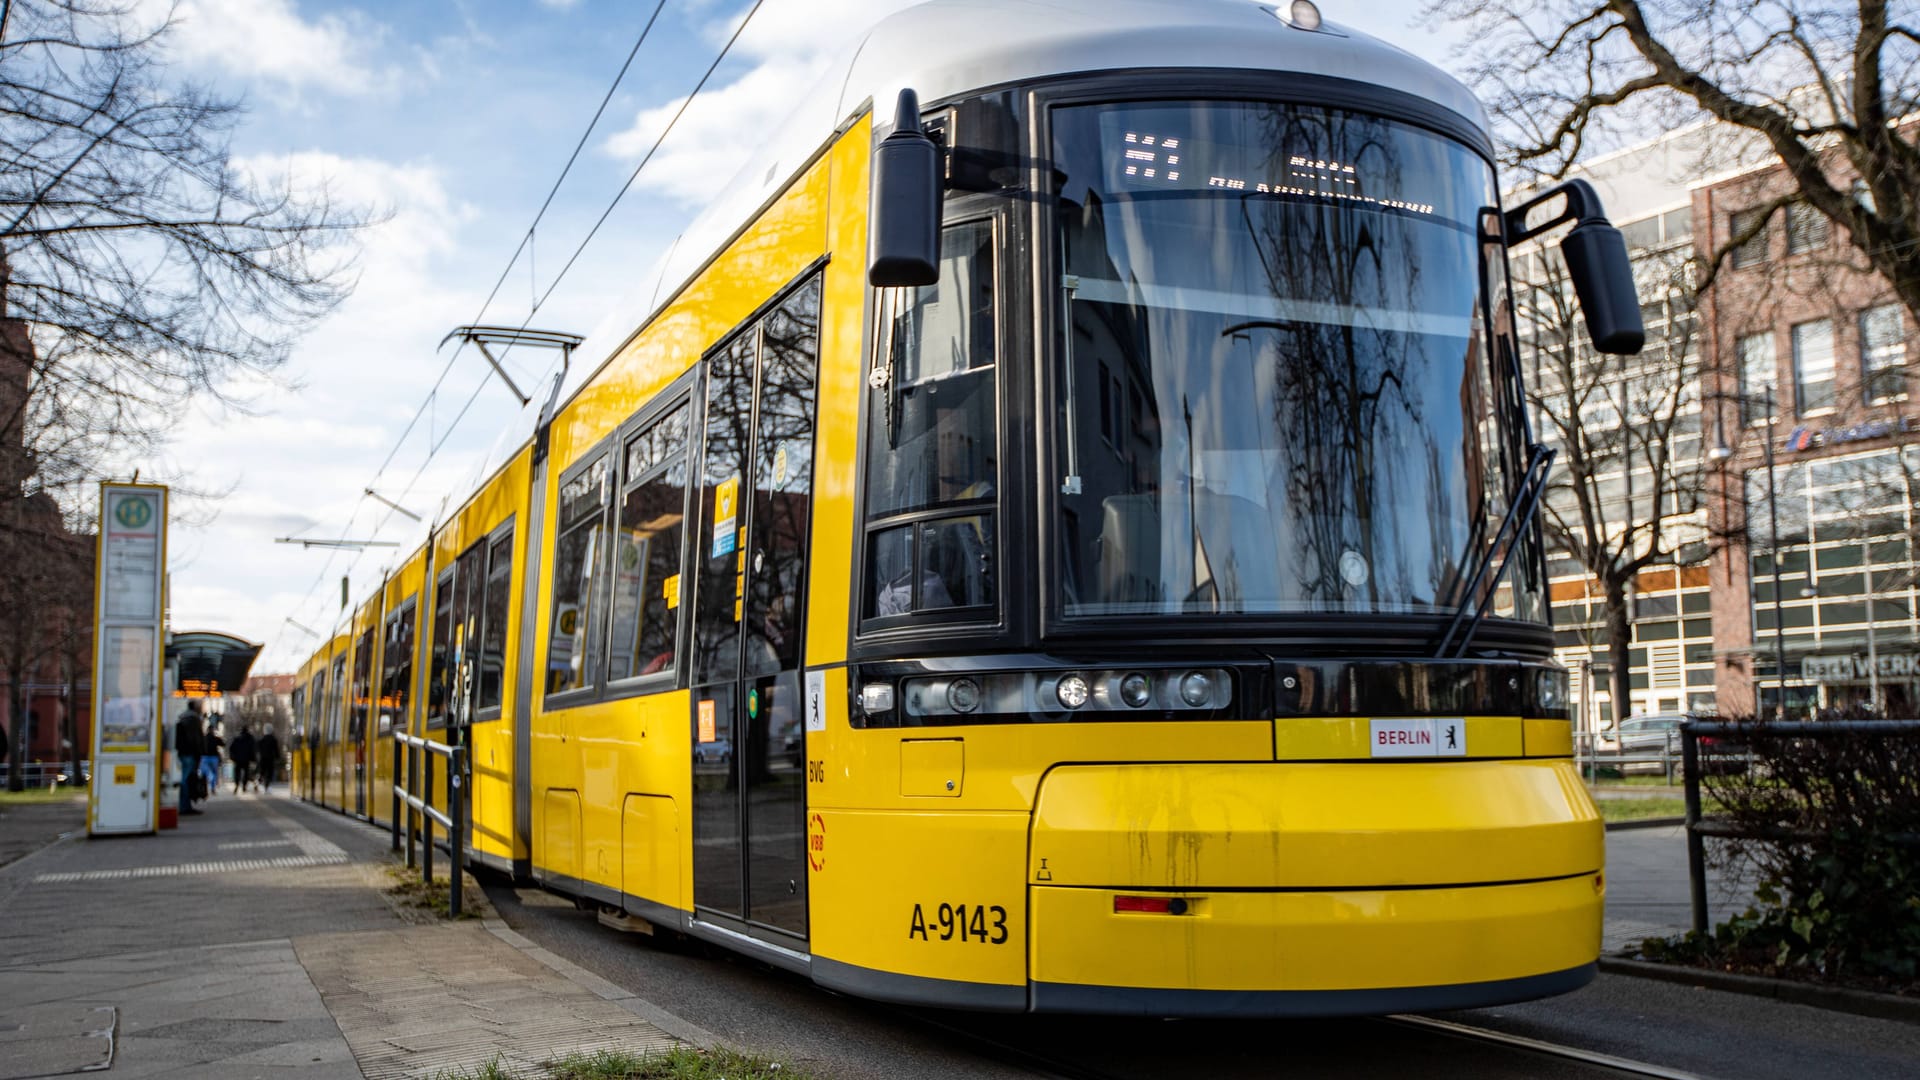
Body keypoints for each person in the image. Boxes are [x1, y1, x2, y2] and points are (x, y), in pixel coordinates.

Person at [174, 700, 205, 815]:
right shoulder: (194, 720)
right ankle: (185, 806)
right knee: (186, 779)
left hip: (183, 752)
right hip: (190, 752)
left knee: (185, 778)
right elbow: (196, 738)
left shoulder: (183, 718)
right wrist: (200, 752)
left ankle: (185, 805)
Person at [200, 719, 226, 799]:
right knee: (214, 773)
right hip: (213, 757)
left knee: (205, 773)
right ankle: (212, 787)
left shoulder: (204, 738)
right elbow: (223, 744)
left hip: (205, 757)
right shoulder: (215, 738)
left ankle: (205, 788)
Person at [229, 724, 257, 793]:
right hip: (246, 759)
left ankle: (237, 785)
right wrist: (253, 758)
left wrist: (232, 757)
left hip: (237, 759)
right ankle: (244, 786)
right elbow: (253, 749)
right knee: (246, 773)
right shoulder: (250, 738)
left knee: (237, 773)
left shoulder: (237, 738)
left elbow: (231, 748)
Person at [257, 724, 281, 790]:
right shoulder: (273, 740)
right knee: (270, 772)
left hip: (263, 758)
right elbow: (276, 750)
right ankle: (266, 784)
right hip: (270, 758)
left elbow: (258, 749)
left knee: (262, 771)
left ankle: (259, 780)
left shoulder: (261, 740)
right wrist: (277, 757)